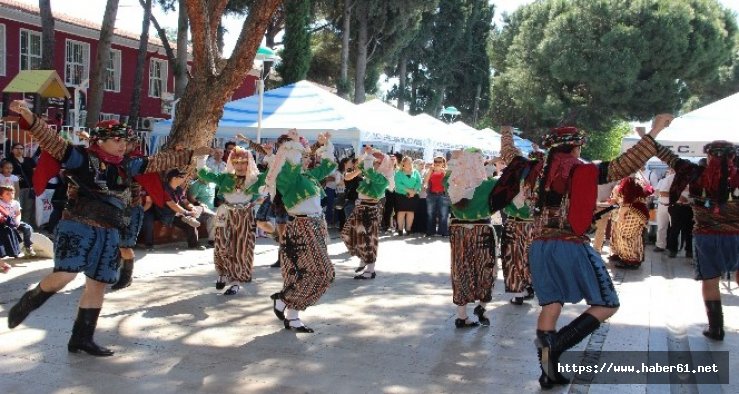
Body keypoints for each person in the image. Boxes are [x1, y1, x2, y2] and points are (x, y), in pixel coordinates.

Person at [6, 100, 211, 356]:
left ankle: (82, 338)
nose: (123, 145)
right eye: (117, 140)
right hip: (77, 226)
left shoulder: (129, 164)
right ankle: (29, 302)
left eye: (124, 140)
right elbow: (51, 140)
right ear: (100, 141)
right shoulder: (79, 157)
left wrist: (192, 153)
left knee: (98, 283)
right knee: (66, 275)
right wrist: (29, 116)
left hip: (110, 231)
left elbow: (159, 161)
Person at [492, 115, 673, 388]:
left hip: (539, 246)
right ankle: (557, 345)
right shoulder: (583, 169)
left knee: (550, 304)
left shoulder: (532, 168)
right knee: (607, 303)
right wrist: (656, 129)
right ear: (575, 147)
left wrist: (506, 130)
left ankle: (547, 372)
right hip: (569, 244)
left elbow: (508, 153)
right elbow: (628, 163)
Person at [652, 139, 739, 341]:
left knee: (710, 280)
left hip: (706, 236)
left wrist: (652, 135)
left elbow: (670, 158)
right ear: (733, 156)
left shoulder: (695, 173)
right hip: (737, 234)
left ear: (708, 156)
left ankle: (716, 328)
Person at [265, 130, 337, 333]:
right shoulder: (285, 176)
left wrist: (326, 145)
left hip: (316, 226)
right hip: (301, 228)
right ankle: (285, 299)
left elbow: (329, 166)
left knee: (304, 273)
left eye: (306, 156)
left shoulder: (308, 176)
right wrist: (292, 144)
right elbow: (290, 165)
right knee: (324, 273)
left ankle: (293, 316)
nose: (304, 159)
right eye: (301, 155)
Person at [197, 145, 266, 295]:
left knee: (241, 248)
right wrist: (201, 157)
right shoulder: (225, 177)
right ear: (232, 163)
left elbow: (273, 174)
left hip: (245, 215)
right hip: (225, 214)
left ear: (249, 163)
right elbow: (204, 173)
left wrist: (270, 155)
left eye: (243, 162)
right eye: (237, 162)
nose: (240, 166)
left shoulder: (255, 179)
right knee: (221, 245)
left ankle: (236, 282)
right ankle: (222, 273)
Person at [444, 148, 498, 328]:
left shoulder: (450, 182)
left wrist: (457, 158)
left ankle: (461, 315)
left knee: (460, 268)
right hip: (482, 229)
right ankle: (482, 306)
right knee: (486, 267)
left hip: (459, 230)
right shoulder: (488, 184)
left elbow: (451, 170)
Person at [341, 147, 394, 280]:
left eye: (378, 162)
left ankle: (370, 270)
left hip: (371, 209)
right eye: (375, 162)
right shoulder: (370, 173)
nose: (375, 163)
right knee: (348, 234)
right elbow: (348, 176)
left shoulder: (383, 178)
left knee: (369, 239)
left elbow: (369, 172)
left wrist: (369, 157)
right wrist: (365, 156)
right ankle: (364, 258)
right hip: (360, 207)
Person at [111, 137, 146, 290]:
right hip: (114, 208)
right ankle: (111, 272)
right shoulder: (113, 160)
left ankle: (126, 277)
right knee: (113, 244)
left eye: (128, 143)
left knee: (124, 245)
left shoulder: (136, 162)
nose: (124, 146)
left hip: (131, 209)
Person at [608, 176, 653, 269]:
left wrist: (621, 215)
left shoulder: (629, 181)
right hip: (637, 212)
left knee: (626, 235)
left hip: (632, 212)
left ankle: (631, 260)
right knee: (632, 236)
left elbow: (628, 201)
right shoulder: (635, 181)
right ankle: (631, 258)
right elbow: (649, 191)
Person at [7, 142, 36, 226]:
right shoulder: (8, 161)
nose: (19, 150)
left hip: (29, 188)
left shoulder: (29, 160)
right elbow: (5, 173)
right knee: (17, 208)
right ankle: (16, 226)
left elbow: (35, 173)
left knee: (28, 209)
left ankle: (26, 227)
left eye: (21, 149)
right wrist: (13, 176)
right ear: (12, 150)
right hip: (14, 189)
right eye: (17, 148)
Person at [393, 156, 422, 236]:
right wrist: (409, 191)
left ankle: (408, 229)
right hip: (401, 195)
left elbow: (419, 182)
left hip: (413, 195)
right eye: (408, 162)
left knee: (410, 212)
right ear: (403, 163)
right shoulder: (399, 173)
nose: (410, 164)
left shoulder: (415, 172)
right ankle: (400, 229)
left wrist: (414, 191)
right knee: (401, 212)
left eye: (411, 162)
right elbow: (398, 184)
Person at [424, 156, 450, 237]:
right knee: (431, 213)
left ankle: (443, 232)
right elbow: (425, 181)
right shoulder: (430, 170)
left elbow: (449, 181)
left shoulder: (446, 171)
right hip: (432, 194)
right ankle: (430, 231)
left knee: (443, 214)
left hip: (443, 194)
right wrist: (430, 171)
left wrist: (444, 172)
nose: (437, 163)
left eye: (440, 161)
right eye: (436, 161)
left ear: (443, 163)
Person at [654, 168, 675, 252]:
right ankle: (660, 245)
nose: (670, 172)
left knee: (673, 227)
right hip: (662, 205)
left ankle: (672, 246)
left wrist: (664, 193)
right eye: (669, 170)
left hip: (673, 205)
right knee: (661, 226)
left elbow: (662, 193)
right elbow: (657, 192)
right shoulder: (662, 181)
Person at [0, 185, 24, 258]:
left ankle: (28, 246)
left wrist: (17, 222)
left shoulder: (15, 203)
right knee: (8, 230)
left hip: (11, 222)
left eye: (12, 193)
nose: (11, 195)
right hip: (4, 223)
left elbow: (18, 214)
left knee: (27, 228)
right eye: (7, 194)